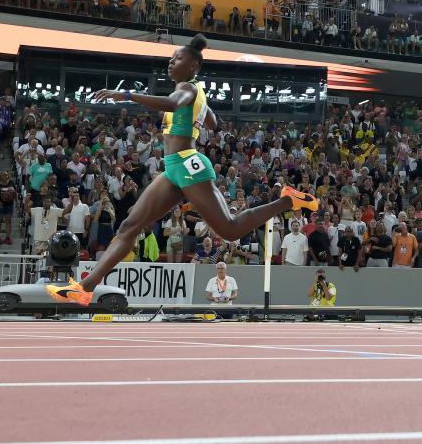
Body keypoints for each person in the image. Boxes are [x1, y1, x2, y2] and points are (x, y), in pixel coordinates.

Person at [52, 35, 317, 305]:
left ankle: (286, 200)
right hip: (172, 169)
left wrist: (127, 95)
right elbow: (213, 122)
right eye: (171, 58)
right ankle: (85, 288)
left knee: (229, 230)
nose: (171, 62)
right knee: (129, 226)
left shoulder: (187, 89)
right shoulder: (195, 91)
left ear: (193, 66)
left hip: (189, 165)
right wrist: (200, 110)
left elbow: (173, 104)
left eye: (177, 58)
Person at [0, 170, 17, 245]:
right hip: (0, 205)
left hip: (10, 204)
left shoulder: (11, 182)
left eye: (6, 175)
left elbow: (15, 193)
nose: (5, 176)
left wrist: (17, 202)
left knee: (8, 221)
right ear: (0, 176)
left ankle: (8, 237)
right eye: (3, 175)